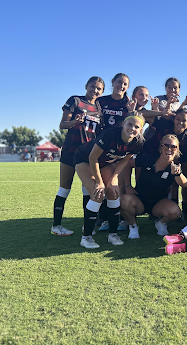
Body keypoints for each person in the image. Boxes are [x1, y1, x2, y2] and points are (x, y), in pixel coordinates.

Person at [74, 111, 145, 248]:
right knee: (98, 193)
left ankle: (113, 234)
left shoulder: (138, 142)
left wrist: (113, 179)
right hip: (85, 159)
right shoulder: (110, 134)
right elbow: (92, 158)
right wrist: (100, 183)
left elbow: (124, 160)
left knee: (113, 192)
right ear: (123, 124)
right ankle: (86, 237)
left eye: (137, 127)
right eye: (130, 124)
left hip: (107, 162)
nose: (132, 129)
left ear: (140, 129)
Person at [51, 76, 105, 236]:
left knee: (87, 190)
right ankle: (56, 226)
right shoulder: (75, 100)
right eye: (92, 86)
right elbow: (62, 124)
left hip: (87, 154)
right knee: (64, 188)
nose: (95, 90)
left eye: (98, 89)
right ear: (86, 86)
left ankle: (86, 224)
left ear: (102, 92)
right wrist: (74, 121)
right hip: (70, 151)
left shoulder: (99, 108)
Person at [120, 135, 187, 239]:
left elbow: (184, 184)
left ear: (177, 150)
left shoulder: (174, 167)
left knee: (175, 212)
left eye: (173, 147)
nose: (169, 149)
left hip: (158, 203)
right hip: (139, 199)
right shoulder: (148, 159)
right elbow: (127, 165)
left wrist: (178, 174)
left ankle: (161, 223)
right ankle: (133, 226)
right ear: (161, 148)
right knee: (123, 200)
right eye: (166, 146)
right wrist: (128, 185)